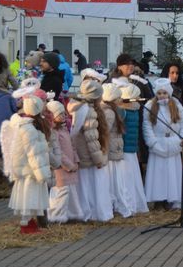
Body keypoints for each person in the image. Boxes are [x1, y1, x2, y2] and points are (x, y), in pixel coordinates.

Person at [0, 95, 51, 234]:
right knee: (29, 197)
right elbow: (33, 153)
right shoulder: (29, 129)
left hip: (25, 168)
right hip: (29, 170)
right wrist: (42, 174)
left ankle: (28, 222)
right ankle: (26, 224)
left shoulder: (21, 124)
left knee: (27, 196)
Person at [68, 80, 113, 222]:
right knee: (91, 187)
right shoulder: (88, 111)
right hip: (88, 155)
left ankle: (84, 212)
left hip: (80, 154)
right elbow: (92, 138)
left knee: (83, 187)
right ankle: (92, 213)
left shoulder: (79, 108)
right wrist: (99, 158)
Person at [142, 78, 183, 208]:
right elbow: (147, 126)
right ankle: (158, 199)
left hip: (174, 143)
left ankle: (171, 197)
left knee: (172, 173)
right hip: (158, 143)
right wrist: (152, 142)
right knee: (158, 173)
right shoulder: (150, 106)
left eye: (164, 93)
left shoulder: (176, 105)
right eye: (159, 93)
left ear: (169, 93)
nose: (162, 95)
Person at [45, 100, 85, 223]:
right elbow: (59, 152)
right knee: (61, 192)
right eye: (60, 114)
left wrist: (76, 160)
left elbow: (72, 146)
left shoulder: (64, 129)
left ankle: (73, 214)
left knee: (71, 191)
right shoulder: (53, 132)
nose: (63, 116)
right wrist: (69, 165)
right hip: (61, 169)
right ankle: (55, 216)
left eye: (64, 113)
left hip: (71, 166)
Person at [101, 83, 132, 218]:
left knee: (116, 181)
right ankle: (120, 207)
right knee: (116, 182)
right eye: (118, 98)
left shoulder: (111, 111)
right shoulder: (109, 112)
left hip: (113, 149)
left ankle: (118, 206)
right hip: (112, 151)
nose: (121, 100)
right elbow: (105, 132)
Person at [117, 83, 149, 214]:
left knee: (126, 180)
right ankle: (133, 203)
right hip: (130, 148)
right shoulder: (134, 110)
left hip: (125, 148)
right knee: (132, 178)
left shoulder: (124, 111)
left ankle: (128, 203)